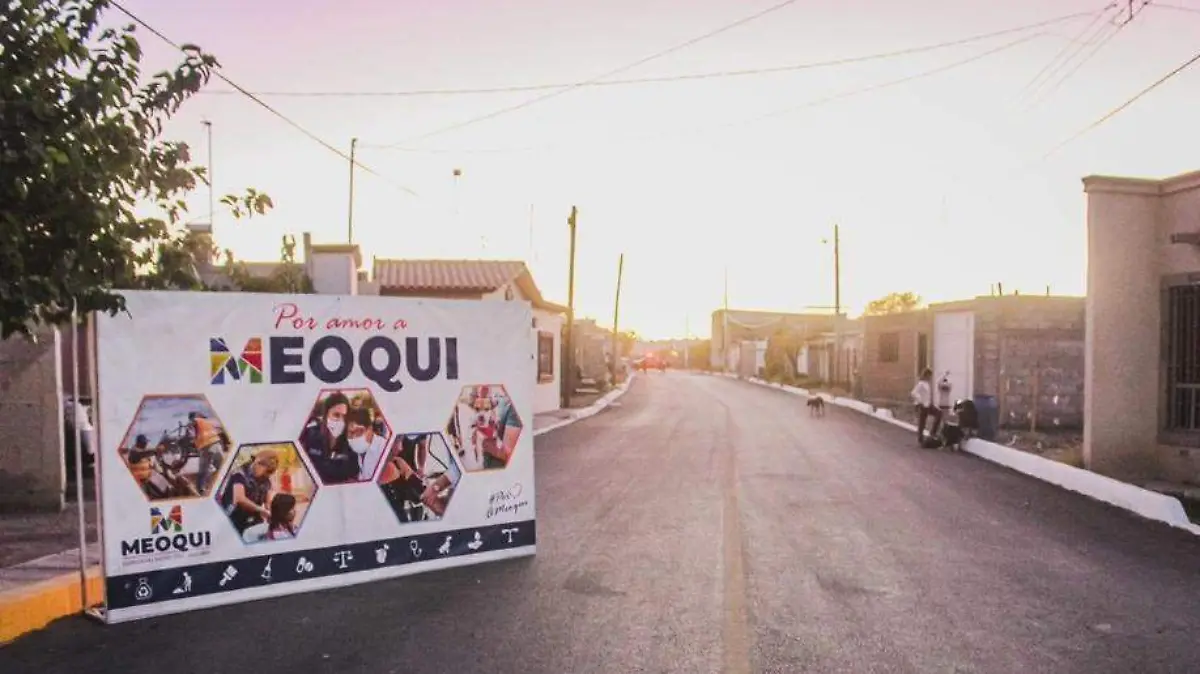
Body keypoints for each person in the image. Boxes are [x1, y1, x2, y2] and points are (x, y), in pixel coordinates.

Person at [299, 392, 358, 484]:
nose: (341, 420)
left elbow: (354, 476)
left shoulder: (352, 443)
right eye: (336, 415)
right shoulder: (310, 435)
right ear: (326, 415)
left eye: (344, 416)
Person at [220, 449, 278, 535]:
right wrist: (261, 510)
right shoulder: (239, 474)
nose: (266, 474)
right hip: (233, 518)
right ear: (257, 462)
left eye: (269, 472)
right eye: (266, 470)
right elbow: (239, 498)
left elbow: (268, 502)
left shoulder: (266, 479)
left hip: (253, 518)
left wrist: (271, 514)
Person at [345, 406, 387, 481]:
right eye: (350, 433)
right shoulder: (358, 451)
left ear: (370, 429)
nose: (354, 437)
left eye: (358, 431)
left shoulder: (384, 449)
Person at [910, 368, 942, 447]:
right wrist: (920, 401)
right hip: (923, 405)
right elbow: (913, 393)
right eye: (930, 376)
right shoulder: (921, 383)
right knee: (922, 422)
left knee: (939, 413)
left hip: (928, 405)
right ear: (926, 375)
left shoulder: (927, 384)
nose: (930, 377)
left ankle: (933, 432)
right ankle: (920, 439)